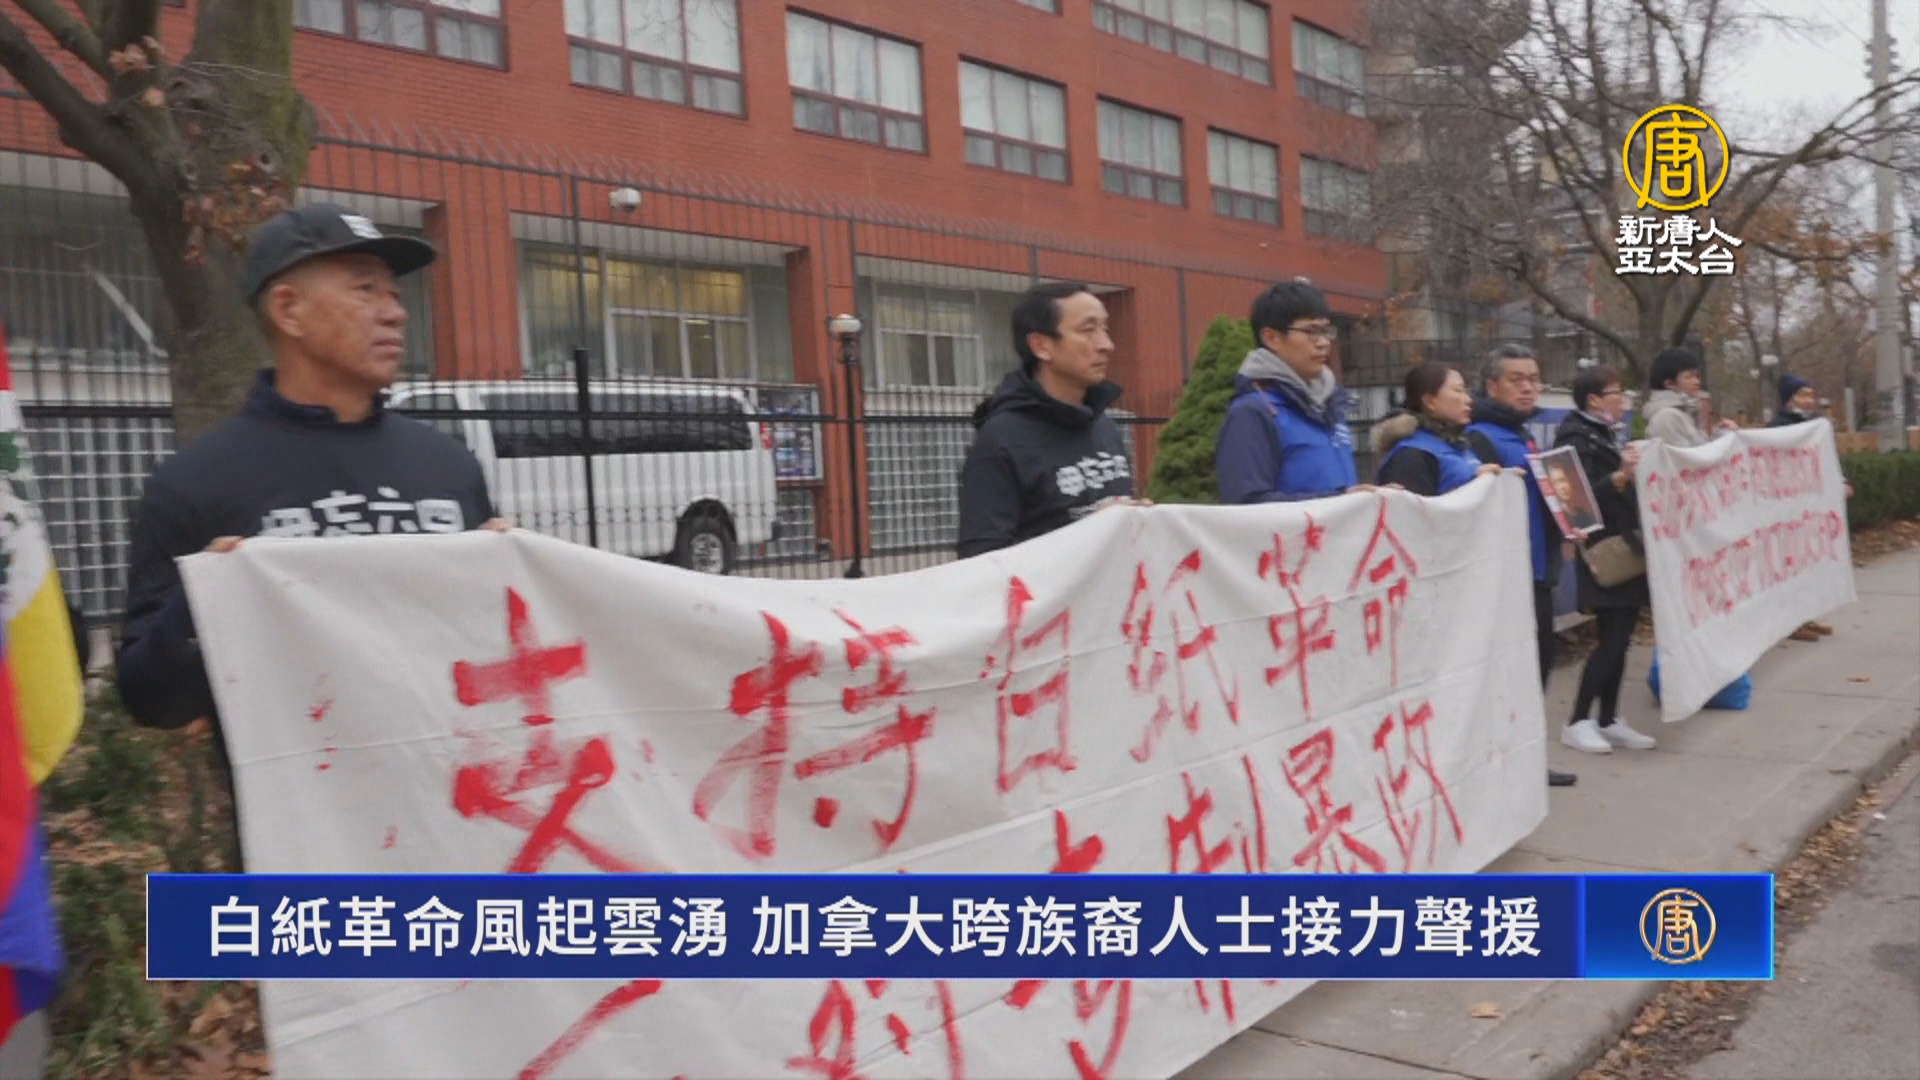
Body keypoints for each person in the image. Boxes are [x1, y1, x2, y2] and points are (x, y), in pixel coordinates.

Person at [117, 202, 507, 736]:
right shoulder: (195, 484)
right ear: (289, 310)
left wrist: (510, 577)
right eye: (365, 290)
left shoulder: (449, 467)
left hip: (453, 778)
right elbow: (150, 700)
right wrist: (203, 604)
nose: (396, 313)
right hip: (301, 782)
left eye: (394, 294)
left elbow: (492, 647)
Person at [956, 281, 1143, 558]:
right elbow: (982, 560)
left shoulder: (1104, 427)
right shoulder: (1001, 440)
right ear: (1041, 346)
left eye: (1105, 329)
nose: (1107, 345)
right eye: (1088, 330)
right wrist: (1090, 531)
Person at [1463, 344, 1577, 788]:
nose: (1528, 387)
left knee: (1536, 671)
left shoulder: (1523, 435)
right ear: (1492, 386)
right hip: (1508, 578)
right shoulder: (1480, 438)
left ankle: (1526, 759)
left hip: (1539, 571)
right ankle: (1501, 766)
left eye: (1533, 378)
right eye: (1517, 379)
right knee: (1511, 675)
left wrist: (1569, 525)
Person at [1553, 366, 1659, 755]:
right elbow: (1574, 500)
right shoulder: (1574, 437)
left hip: (1625, 548)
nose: (1623, 400)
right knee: (1611, 640)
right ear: (1594, 400)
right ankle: (1578, 720)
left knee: (1622, 638)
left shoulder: (1604, 434)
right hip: (1603, 552)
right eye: (1616, 393)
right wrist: (1618, 478)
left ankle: (1608, 719)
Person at [1214, 280, 1372, 503]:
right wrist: (1339, 501)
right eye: (1311, 331)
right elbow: (1246, 506)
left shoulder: (1329, 407)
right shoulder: (1253, 412)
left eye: (1326, 331)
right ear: (1272, 338)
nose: (1324, 342)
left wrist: (1375, 499)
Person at [1771, 374, 1851, 640]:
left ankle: (1805, 615)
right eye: (1801, 395)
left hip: (1809, 508)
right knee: (1790, 565)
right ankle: (1790, 623)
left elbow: (1826, 460)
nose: (1808, 400)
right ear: (1788, 399)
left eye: (1810, 395)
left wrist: (1839, 482)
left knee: (1808, 564)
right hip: (1788, 508)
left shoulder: (1815, 426)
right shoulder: (1778, 427)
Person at [1370, 362, 1502, 494]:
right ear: (1430, 401)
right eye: (1458, 391)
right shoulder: (1411, 455)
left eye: (1467, 392)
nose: (1468, 400)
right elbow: (1416, 506)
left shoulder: (1459, 446)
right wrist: (1473, 484)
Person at [1643, 346, 1738, 449]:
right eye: (1689, 377)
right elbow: (1689, 456)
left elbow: (1700, 448)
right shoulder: (1667, 417)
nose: (1697, 382)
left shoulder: (1685, 412)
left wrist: (1721, 434)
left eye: (1696, 376)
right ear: (1670, 384)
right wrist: (1724, 440)